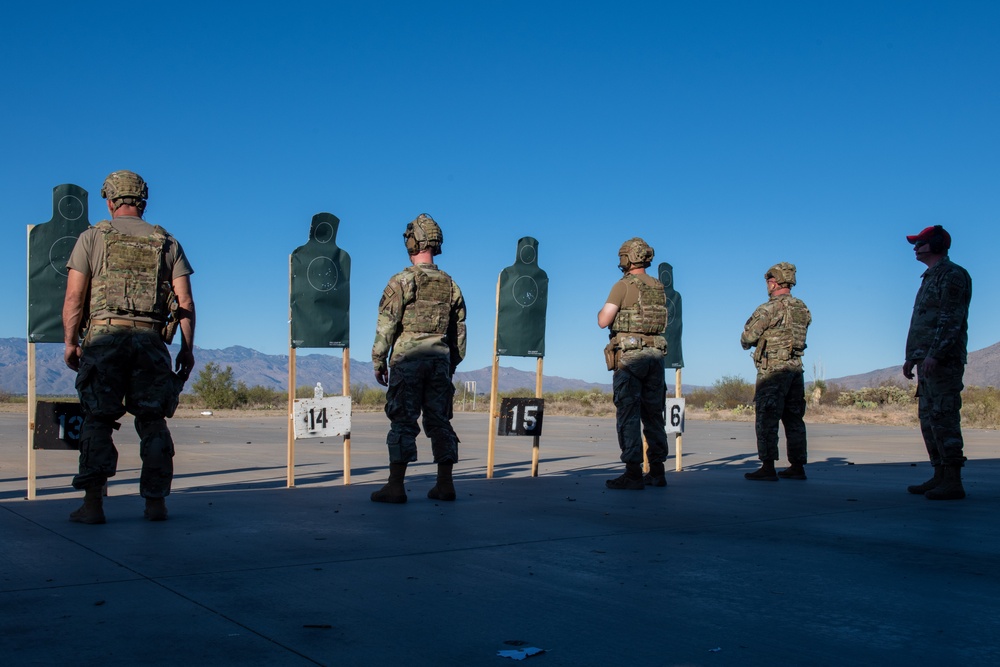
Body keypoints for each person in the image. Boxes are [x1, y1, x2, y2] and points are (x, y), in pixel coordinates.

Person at [62, 170, 195, 523]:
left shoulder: (92, 238)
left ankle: (93, 505)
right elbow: (185, 303)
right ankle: (155, 503)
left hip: (104, 341)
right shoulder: (167, 243)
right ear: (143, 202)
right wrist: (187, 348)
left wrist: (70, 343)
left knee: (98, 418)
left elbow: (75, 297)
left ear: (109, 201)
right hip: (151, 343)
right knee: (152, 421)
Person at [370, 214, 466, 503]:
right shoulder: (451, 285)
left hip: (408, 361)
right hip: (440, 361)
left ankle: (396, 486)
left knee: (403, 421)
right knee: (440, 421)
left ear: (413, 242)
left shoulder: (402, 281)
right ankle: (445, 484)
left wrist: (378, 359)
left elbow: (387, 324)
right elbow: (459, 333)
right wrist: (450, 365)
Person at [902, 225, 972, 500]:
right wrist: (912, 357)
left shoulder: (952, 275)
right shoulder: (930, 277)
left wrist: (936, 354)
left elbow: (950, 318)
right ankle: (939, 474)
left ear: (935, 244)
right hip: (926, 360)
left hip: (943, 361)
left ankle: (953, 480)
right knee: (929, 419)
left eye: (919, 243)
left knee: (944, 417)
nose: (915, 248)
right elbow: (923, 321)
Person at [597, 238, 669, 490]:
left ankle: (633, 473)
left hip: (630, 357)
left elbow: (604, 320)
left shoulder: (623, 285)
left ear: (627, 258)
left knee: (628, 414)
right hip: (656, 357)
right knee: (654, 416)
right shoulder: (658, 287)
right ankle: (658, 471)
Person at [740, 262, 811, 481]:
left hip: (773, 371)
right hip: (795, 368)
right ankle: (797, 466)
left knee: (766, 418)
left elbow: (747, 338)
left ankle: (768, 466)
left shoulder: (769, 309)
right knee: (794, 419)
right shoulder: (802, 308)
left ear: (774, 282)